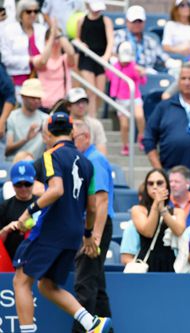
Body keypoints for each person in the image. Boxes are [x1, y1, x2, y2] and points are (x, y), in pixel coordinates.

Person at [12, 112, 111, 333]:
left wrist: (29, 211)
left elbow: (57, 190)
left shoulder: (50, 156)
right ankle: (91, 323)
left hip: (51, 229)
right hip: (74, 233)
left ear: (48, 133)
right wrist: (87, 235)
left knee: (21, 280)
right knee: (46, 285)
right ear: (72, 132)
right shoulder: (87, 163)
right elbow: (92, 207)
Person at [143, 62, 190, 195]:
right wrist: (160, 171)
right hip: (171, 176)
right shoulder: (164, 107)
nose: (187, 82)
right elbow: (149, 139)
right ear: (178, 81)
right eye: (183, 78)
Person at [72, 120, 114, 333]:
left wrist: (94, 236)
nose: (71, 142)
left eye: (74, 138)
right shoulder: (87, 159)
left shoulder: (94, 160)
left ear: (86, 137)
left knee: (85, 283)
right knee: (96, 284)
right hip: (95, 225)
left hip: (96, 226)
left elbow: (101, 200)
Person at [131, 168, 186, 272]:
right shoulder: (138, 210)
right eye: (150, 183)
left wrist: (163, 210)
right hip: (146, 263)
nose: (155, 186)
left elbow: (179, 231)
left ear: (167, 186)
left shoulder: (178, 212)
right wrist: (156, 205)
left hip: (170, 263)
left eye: (159, 183)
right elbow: (148, 232)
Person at [0, 0, 54, 102]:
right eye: (28, 11)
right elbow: (6, 59)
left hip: (41, 81)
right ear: (21, 13)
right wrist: (29, 60)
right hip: (17, 82)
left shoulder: (42, 30)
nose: (32, 14)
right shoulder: (9, 31)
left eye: (35, 11)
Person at [106, 41, 146, 156]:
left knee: (139, 116)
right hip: (121, 100)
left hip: (135, 97)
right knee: (124, 125)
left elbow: (142, 81)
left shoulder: (134, 66)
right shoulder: (114, 67)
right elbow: (109, 77)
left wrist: (141, 73)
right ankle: (125, 145)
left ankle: (141, 136)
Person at [75, 0, 113, 117]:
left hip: (100, 59)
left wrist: (106, 56)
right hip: (86, 58)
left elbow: (110, 40)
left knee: (100, 91)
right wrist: (81, 44)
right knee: (91, 90)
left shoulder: (106, 21)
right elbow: (77, 39)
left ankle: (93, 114)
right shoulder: (81, 21)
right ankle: (92, 118)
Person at [0, 161, 37, 263]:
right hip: (10, 262)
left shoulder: (41, 204)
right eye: (18, 184)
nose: (23, 188)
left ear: (34, 181)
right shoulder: (4, 207)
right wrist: (6, 230)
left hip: (36, 261)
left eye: (27, 184)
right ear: (12, 183)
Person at [113, 5, 169, 73]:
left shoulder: (150, 40)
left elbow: (164, 58)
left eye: (139, 21)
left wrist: (172, 63)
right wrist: (134, 68)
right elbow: (113, 56)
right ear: (127, 21)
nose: (137, 24)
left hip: (148, 74)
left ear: (144, 22)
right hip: (124, 73)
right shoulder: (118, 35)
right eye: (134, 21)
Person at [6, 79, 49, 161]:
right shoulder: (12, 117)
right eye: (33, 98)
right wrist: (26, 139)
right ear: (23, 97)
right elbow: (7, 151)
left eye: (38, 98)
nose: (36, 101)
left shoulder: (46, 119)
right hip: (15, 165)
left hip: (36, 166)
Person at [37, 27, 76, 111]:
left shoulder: (65, 59)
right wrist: (52, 37)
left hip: (62, 105)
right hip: (43, 105)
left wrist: (59, 34)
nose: (56, 41)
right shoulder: (38, 58)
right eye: (53, 38)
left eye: (58, 38)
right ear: (46, 40)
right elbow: (43, 61)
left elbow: (71, 52)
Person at [66, 88, 107, 155]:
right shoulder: (63, 124)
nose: (81, 106)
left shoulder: (96, 124)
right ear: (68, 106)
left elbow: (102, 153)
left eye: (84, 102)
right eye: (77, 102)